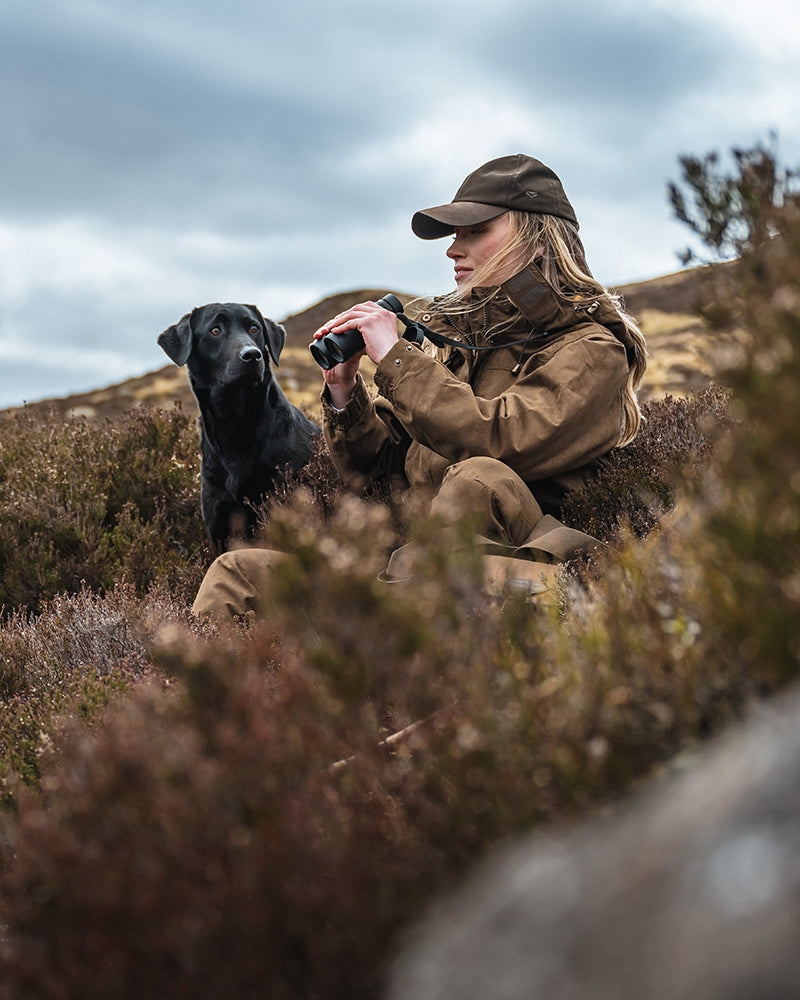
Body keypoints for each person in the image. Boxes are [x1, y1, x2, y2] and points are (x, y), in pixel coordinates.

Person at [192, 154, 647, 620]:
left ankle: (404, 629)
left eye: (475, 231)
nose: (453, 249)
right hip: (405, 569)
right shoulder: (455, 344)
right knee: (236, 573)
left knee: (478, 478)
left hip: (517, 577)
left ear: (536, 241)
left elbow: (498, 440)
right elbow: (377, 472)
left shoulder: (594, 351)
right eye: (454, 235)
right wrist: (345, 393)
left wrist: (396, 358)